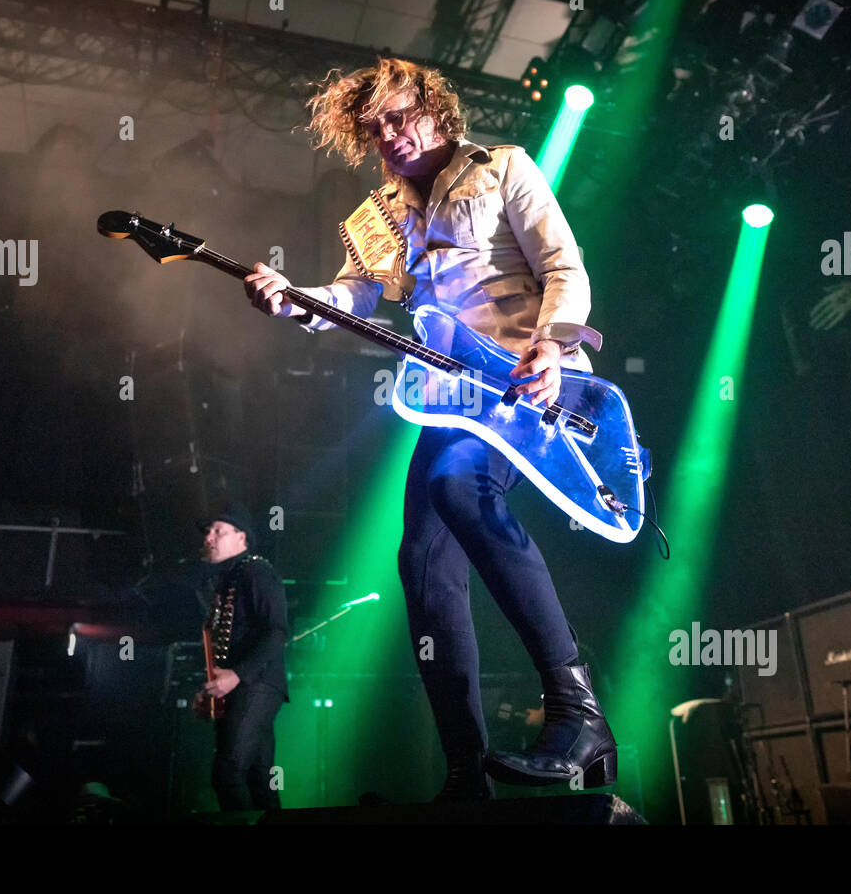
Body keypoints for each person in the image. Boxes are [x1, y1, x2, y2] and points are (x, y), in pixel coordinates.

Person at [243, 58, 615, 801]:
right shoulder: (375, 216)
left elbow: (564, 265)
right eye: (374, 127)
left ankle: (577, 711)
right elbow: (354, 294)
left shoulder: (502, 166)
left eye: (400, 116)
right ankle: (464, 769)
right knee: (420, 565)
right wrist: (295, 297)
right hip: (451, 398)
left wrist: (549, 343)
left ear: (435, 108)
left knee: (457, 484)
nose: (390, 135)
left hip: (524, 376)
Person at [191, 504, 289, 811]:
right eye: (208, 531)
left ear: (241, 537)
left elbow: (277, 632)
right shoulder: (227, 579)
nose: (209, 537)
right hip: (243, 686)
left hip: (256, 683)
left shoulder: (256, 570)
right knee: (259, 780)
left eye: (217, 530)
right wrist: (209, 688)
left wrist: (237, 675)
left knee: (227, 773)